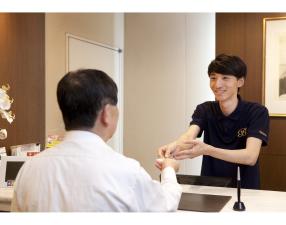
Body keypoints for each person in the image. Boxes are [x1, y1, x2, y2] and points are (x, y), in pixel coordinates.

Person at [11, 69, 181, 212]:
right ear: (107, 113)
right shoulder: (126, 172)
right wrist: (169, 169)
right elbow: (166, 205)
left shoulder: (29, 169)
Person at [158, 54, 269, 189]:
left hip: (245, 189)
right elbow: (189, 136)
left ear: (240, 81)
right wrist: (175, 147)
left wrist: (208, 150)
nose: (217, 84)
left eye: (225, 78)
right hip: (210, 187)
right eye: (213, 78)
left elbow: (250, 157)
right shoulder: (205, 109)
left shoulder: (256, 112)